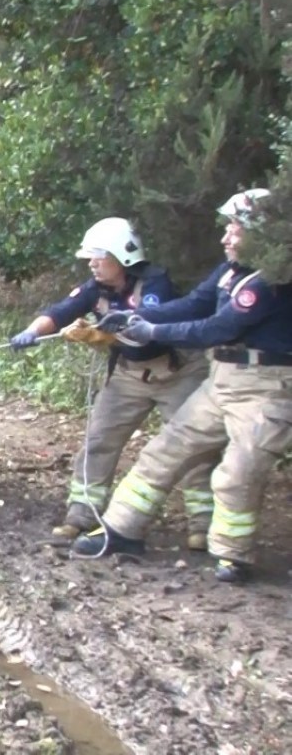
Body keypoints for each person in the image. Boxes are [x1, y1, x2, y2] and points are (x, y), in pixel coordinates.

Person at [73, 189, 292, 583]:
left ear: (261, 232)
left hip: (266, 390)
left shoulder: (269, 281)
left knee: (239, 471)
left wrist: (151, 327)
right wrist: (130, 316)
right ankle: (122, 530)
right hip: (221, 380)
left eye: (235, 228)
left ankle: (232, 555)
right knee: (164, 450)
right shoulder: (231, 272)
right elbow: (194, 303)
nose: (226, 236)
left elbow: (216, 327)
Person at [9, 218, 215, 550]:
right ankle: (81, 514)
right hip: (129, 375)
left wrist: (100, 335)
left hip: (175, 373)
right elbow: (62, 311)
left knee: (195, 448)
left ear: (123, 256)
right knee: (99, 438)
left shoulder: (155, 284)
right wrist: (33, 332)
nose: (91, 263)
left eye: (98, 256)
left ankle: (203, 524)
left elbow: (149, 336)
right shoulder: (96, 288)